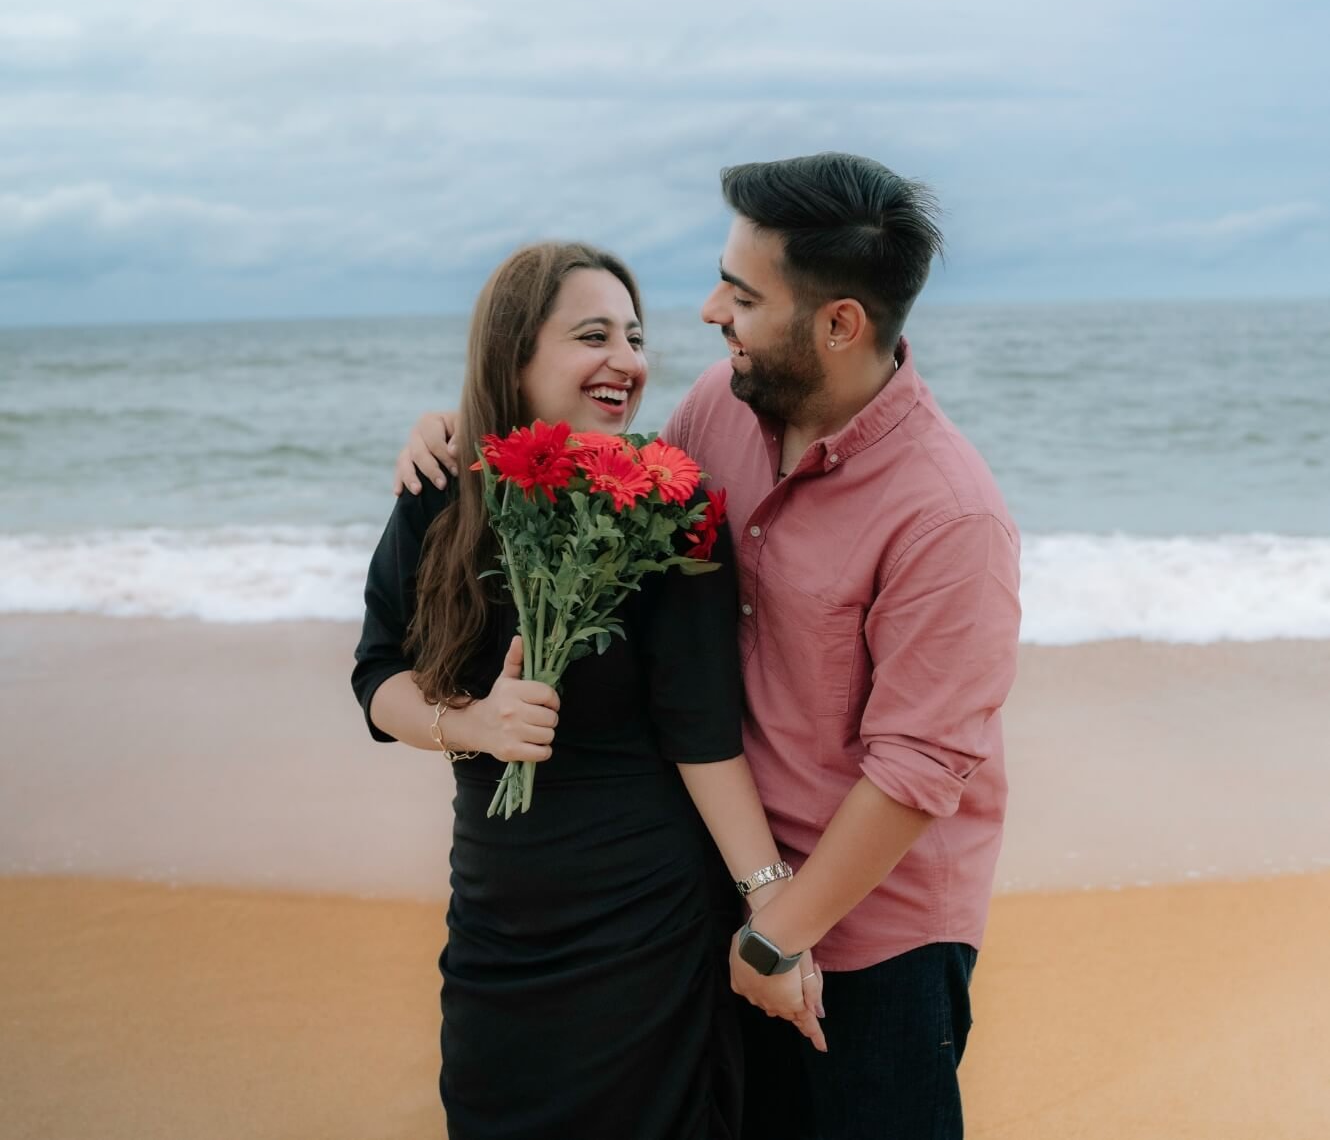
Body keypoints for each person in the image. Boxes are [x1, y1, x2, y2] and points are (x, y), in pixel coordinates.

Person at [395, 155, 1022, 1140]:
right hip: (716, 898)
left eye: (742, 294)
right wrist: (457, 432)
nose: (708, 311)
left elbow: (918, 769)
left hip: (868, 935)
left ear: (838, 324)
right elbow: (604, 484)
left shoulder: (950, 516)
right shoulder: (718, 408)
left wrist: (779, 935)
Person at [352, 240, 824, 1140]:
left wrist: (773, 907)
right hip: (496, 919)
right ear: (514, 356)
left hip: (644, 920)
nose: (627, 360)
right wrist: (477, 725)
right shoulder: (443, 490)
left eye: (635, 337)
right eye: (593, 335)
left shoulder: (670, 508)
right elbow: (378, 676)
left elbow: (702, 735)